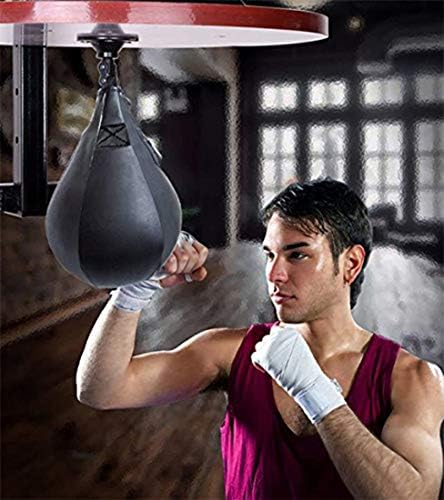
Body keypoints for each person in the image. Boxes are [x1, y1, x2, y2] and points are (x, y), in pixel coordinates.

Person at [76, 178, 444, 499]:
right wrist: (134, 289)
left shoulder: (410, 378)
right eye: (270, 254)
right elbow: (101, 389)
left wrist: (316, 393)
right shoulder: (233, 351)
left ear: (350, 264)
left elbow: (413, 495)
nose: (275, 274)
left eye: (297, 254)